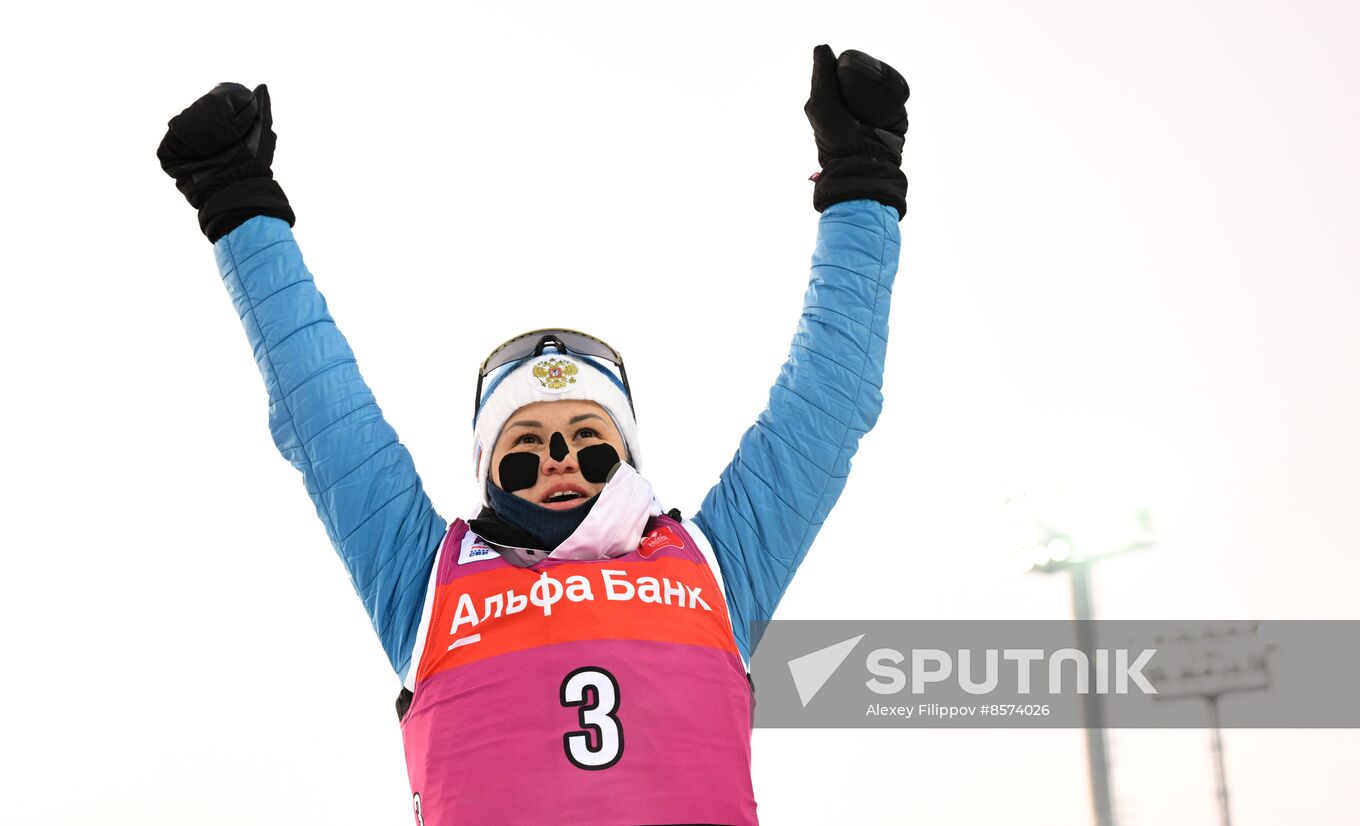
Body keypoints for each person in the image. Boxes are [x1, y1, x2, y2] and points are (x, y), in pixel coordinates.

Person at [158, 44, 907, 826]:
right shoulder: (427, 581)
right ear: (488, 472)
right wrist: (240, 205)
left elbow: (828, 401)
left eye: (588, 440)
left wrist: (862, 184)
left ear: (626, 459)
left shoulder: (718, 566)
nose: (558, 459)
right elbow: (324, 412)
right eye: (526, 446)